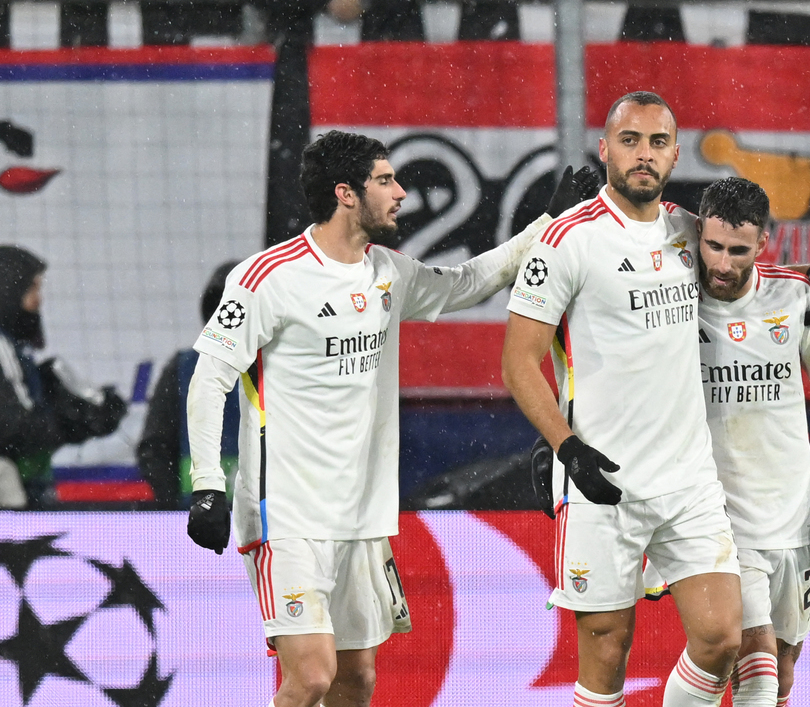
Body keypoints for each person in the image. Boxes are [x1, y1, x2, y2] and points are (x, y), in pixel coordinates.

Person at [184, 129, 595, 707]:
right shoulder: (266, 279)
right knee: (311, 677)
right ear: (345, 193)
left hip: (362, 515)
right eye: (385, 181)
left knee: (358, 681)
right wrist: (207, 486)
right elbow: (209, 381)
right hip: (289, 513)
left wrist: (548, 224)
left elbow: (470, 282)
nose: (400, 192)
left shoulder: (388, 272)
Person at [502, 91, 747, 707]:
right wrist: (568, 449)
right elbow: (517, 361)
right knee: (606, 656)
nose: (645, 155)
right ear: (605, 149)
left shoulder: (691, 233)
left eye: (658, 142)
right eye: (631, 141)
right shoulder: (566, 241)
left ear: (675, 154)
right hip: (598, 481)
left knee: (721, 639)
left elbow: (751, 281)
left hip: (688, 479)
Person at [692, 177, 810, 706]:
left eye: (738, 251)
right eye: (714, 246)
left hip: (792, 517)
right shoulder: (672, 304)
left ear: (763, 243)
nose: (723, 264)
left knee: (781, 676)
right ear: (698, 235)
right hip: (718, 518)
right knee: (755, 662)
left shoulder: (795, 299)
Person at [0, 245, 128, 508]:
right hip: (13, 503)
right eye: (33, 289)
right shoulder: (2, 346)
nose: (39, 299)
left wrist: (77, 413)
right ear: (9, 291)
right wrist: (73, 419)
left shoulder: (16, 349)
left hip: (31, 489)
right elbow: (14, 428)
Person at [137, 261, 242, 508]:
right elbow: (154, 449)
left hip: (268, 523)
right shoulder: (183, 369)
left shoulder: (279, 368)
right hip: (200, 521)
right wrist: (177, 507)